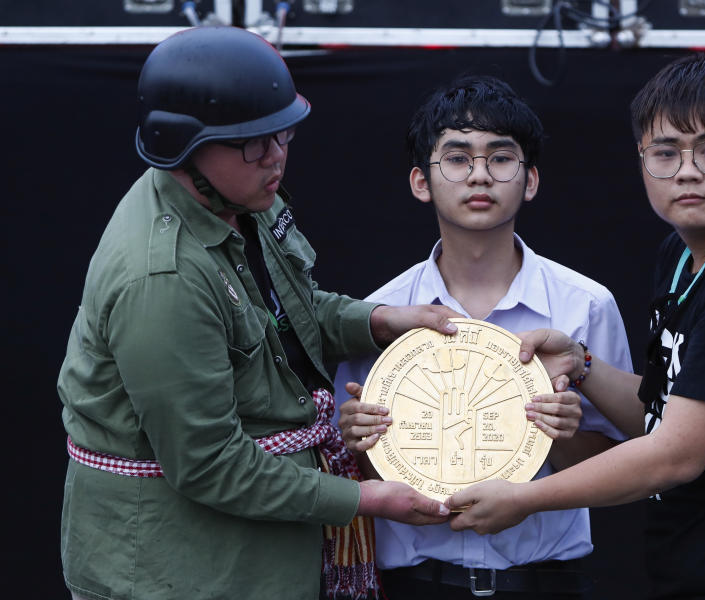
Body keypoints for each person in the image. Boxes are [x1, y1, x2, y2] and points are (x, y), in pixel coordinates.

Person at [57, 26, 459, 600]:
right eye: (252, 142)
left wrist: (381, 322)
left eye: (283, 133)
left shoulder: (242, 199)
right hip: (180, 574)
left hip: (257, 557)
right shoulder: (163, 279)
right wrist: (367, 500)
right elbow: (209, 464)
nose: (276, 157)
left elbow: (283, 314)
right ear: (184, 146)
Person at [445, 55, 705, 598]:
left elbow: (675, 455)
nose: (687, 170)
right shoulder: (685, 254)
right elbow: (662, 410)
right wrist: (582, 363)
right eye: (665, 152)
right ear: (642, 159)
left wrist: (522, 498)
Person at [333, 75, 633, 599]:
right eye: (456, 158)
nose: (479, 176)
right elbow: (351, 477)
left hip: (546, 585)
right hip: (416, 586)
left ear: (530, 179)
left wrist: (559, 437)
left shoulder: (585, 306)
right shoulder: (378, 315)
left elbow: (625, 470)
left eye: (500, 158)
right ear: (420, 181)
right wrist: (357, 445)